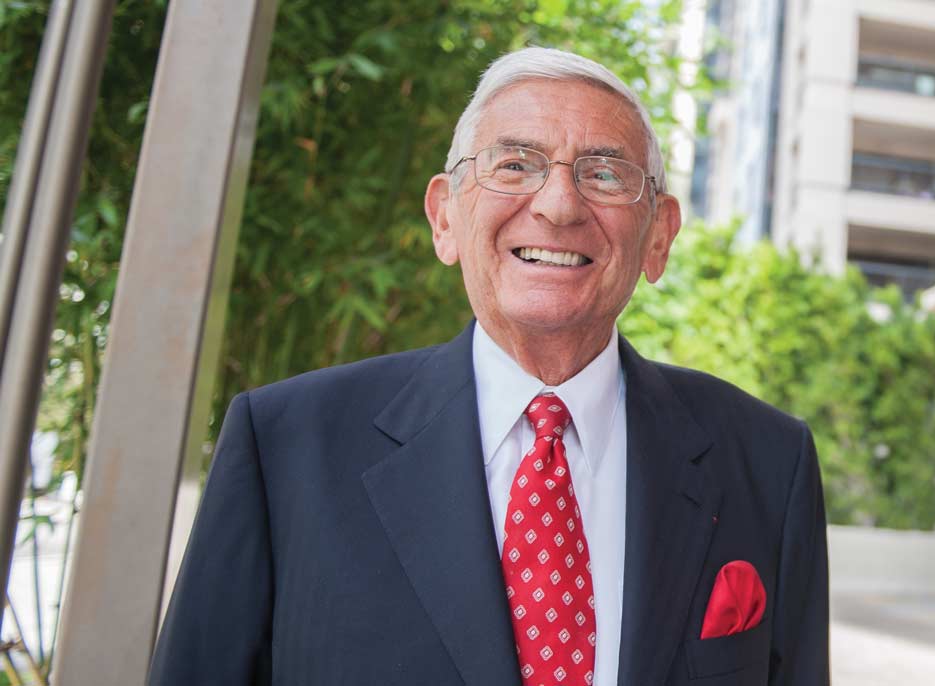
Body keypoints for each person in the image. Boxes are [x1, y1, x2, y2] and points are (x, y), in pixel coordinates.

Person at [149, 46, 829, 686]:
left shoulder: (769, 463)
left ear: (659, 236)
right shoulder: (284, 447)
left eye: (604, 173)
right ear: (445, 218)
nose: (560, 205)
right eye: (514, 165)